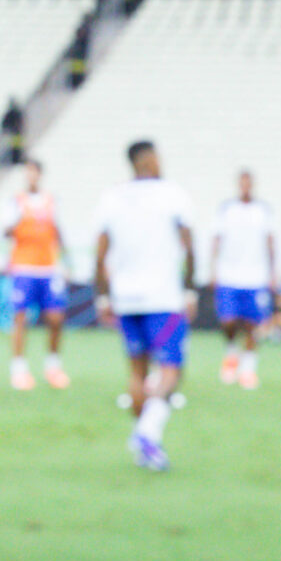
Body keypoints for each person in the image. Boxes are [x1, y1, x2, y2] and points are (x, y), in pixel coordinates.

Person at [93, 140, 194, 471]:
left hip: (126, 297)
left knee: (137, 371)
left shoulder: (113, 197)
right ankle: (148, 433)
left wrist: (103, 296)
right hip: (162, 296)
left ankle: (144, 443)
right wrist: (190, 288)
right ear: (148, 160)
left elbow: (101, 251)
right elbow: (188, 245)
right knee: (171, 370)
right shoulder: (172, 194)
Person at [0, 158, 71, 391]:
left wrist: (66, 262)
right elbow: (6, 231)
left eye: (34, 172)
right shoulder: (17, 202)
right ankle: (19, 370)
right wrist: (16, 220)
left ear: (40, 174)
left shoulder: (51, 201)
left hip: (49, 267)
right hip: (24, 267)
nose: (31, 176)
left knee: (56, 318)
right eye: (27, 172)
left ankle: (53, 366)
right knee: (20, 318)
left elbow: (58, 232)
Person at [210, 169, 277, 390]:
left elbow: (270, 242)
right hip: (229, 274)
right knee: (228, 320)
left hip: (256, 276)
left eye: (249, 183)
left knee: (253, 325)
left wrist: (273, 273)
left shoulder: (263, 210)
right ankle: (231, 355)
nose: (245, 187)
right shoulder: (226, 209)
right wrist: (213, 269)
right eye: (242, 183)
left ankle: (248, 369)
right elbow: (217, 240)